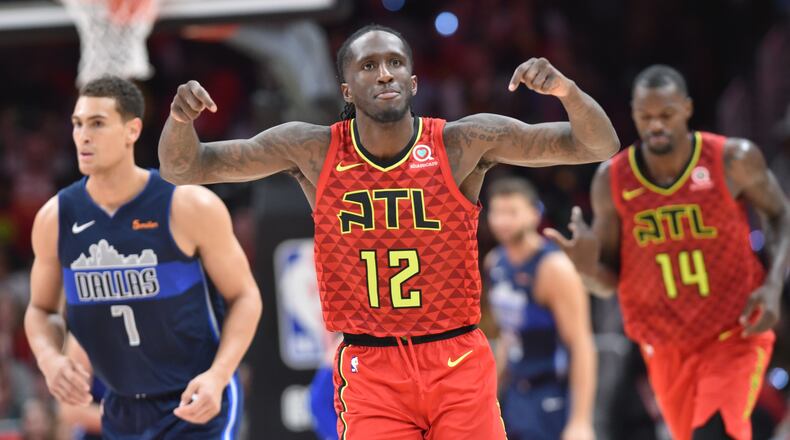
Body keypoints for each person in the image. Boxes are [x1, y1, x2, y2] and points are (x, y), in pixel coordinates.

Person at [158, 24, 619, 439]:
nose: (384, 74)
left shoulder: (462, 143)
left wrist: (566, 90)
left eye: (396, 63)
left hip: (455, 358)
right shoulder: (312, 150)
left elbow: (599, 143)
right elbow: (184, 167)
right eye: (369, 65)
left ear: (413, 82)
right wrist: (180, 120)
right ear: (347, 89)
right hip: (371, 367)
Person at [545, 65, 790, 440]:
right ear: (633, 114)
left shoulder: (731, 159)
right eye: (646, 117)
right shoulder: (612, 181)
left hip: (733, 331)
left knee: (716, 432)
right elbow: (608, 283)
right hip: (664, 344)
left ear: (687, 109)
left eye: (667, 115)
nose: (656, 125)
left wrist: (773, 285)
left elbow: (779, 214)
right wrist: (586, 268)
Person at [24, 76, 262, 439]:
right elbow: (41, 310)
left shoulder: (187, 206)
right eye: (77, 124)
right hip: (123, 407)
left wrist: (219, 374)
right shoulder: (55, 218)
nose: (83, 135)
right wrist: (50, 359)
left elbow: (245, 297)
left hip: (197, 401)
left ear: (131, 130)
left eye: (98, 123)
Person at [485, 177, 596, 440]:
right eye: (497, 212)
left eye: (512, 212)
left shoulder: (554, 267)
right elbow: (507, 335)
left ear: (534, 214)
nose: (503, 221)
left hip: (552, 393)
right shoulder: (495, 262)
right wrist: (492, 394)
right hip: (515, 394)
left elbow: (581, 343)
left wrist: (581, 421)